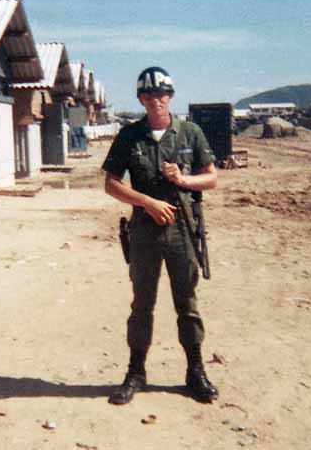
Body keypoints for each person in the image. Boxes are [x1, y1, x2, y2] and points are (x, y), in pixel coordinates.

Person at [102, 66, 219, 405]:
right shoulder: (129, 136)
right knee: (142, 305)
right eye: (150, 95)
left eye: (163, 94)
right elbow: (111, 184)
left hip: (182, 228)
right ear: (141, 98)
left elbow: (211, 178)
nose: (157, 100)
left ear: (171, 97)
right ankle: (135, 372)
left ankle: (195, 371)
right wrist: (148, 203)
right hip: (144, 230)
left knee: (188, 304)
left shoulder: (190, 132)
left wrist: (183, 180)